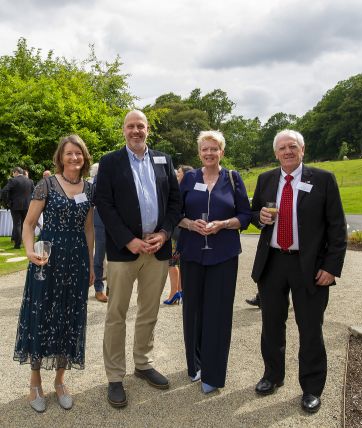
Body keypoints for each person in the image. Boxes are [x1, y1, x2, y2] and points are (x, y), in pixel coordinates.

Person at [250, 129, 346, 414]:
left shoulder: (323, 179)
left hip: (310, 266)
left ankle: (312, 388)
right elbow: (255, 215)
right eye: (282, 148)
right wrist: (260, 218)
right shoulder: (266, 179)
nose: (287, 151)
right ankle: (272, 376)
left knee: (310, 327)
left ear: (302, 150)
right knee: (271, 325)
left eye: (293, 146)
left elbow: (337, 227)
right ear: (275, 153)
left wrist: (331, 267)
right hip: (273, 262)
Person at [95, 110, 181, 408]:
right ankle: (115, 376)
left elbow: (175, 201)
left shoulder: (163, 159)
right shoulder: (109, 162)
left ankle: (142, 364)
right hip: (123, 251)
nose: (136, 130)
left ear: (148, 129)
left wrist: (166, 233)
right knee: (116, 314)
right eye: (131, 126)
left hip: (156, 249)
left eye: (140, 126)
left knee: (149, 311)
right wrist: (127, 239)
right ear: (123, 130)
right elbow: (103, 203)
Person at [13, 135, 94, 413]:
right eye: (69, 154)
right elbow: (29, 223)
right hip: (47, 261)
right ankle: (35, 381)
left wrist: (92, 265)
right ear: (60, 157)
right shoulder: (46, 184)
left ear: (84, 158)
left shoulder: (90, 188)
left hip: (77, 261)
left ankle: (60, 380)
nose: (74, 158)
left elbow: (88, 229)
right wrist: (28, 252)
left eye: (79, 154)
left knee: (70, 317)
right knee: (42, 314)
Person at [177, 131, 251, 394]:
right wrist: (189, 224)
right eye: (204, 149)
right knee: (193, 311)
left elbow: (245, 215)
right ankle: (195, 365)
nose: (209, 153)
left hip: (223, 255)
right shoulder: (189, 179)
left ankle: (213, 373)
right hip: (192, 254)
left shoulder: (233, 178)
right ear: (199, 153)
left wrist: (224, 224)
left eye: (214, 149)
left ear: (222, 151)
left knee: (218, 314)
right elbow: (175, 213)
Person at [164, 165, 193, 305]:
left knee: (172, 262)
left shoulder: (179, 190)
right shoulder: (191, 189)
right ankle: (180, 290)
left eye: (179, 173)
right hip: (184, 232)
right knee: (179, 263)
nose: (176, 175)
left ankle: (174, 293)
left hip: (177, 231)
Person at [1, 166, 34, 248]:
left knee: (17, 225)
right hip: (27, 206)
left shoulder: (13, 180)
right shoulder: (30, 181)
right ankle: (27, 243)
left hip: (15, 205)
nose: (12, 175)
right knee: (26, 225)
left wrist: (8, 202)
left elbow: (4, 191)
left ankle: (17, 244)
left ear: (16, 172)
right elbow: (34, 193)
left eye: (13, 173)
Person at [90, 163, 108, 303]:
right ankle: (98, 289)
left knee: (115, 258)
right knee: (99, 256)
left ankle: (111, 288)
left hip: (115, 224)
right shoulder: (95, 182)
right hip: (100, 222)